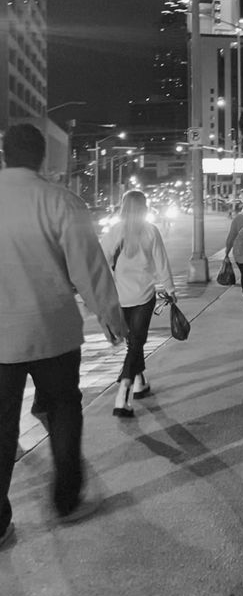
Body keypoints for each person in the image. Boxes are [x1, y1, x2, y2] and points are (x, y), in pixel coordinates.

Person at [0, 124, 127, 544]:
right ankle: (67, 498)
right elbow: (88, 268)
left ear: (4, 154)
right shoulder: (61, 201)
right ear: (42, 158)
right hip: (54, 332)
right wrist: (111, 317)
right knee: (64, 409)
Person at [100, 189, 176, 417]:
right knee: (136, 342)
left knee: (135, 342)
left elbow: (100, 260)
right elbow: (162, 263)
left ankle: (140, 382)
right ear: (144, 208)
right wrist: (171, 290)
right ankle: (123, 393)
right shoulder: (151, 231)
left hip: (121, 297)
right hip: (144, 297)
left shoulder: (114, 232)